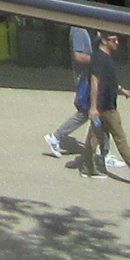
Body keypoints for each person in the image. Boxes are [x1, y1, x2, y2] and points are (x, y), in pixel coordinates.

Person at [84, 30, 130, 186]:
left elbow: (108, 79)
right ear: (105, 41)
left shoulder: (106, 58)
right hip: (105, 107)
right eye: (114, 40)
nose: (117, 43)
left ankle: (87, 166)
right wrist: (93, 107)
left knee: (96, 136)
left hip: (107, 104)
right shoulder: (99, 59)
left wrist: (121, 89)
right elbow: (95, 82)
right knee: (120, 139)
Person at [44, 25, 94, 160]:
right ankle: (55, 136)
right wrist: (99, 60)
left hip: (88, 76)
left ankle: (56, 137)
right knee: (88, 112)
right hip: (85, 78)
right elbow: (78, 56)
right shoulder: (79, 30)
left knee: (94, 113)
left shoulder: (84, 29)